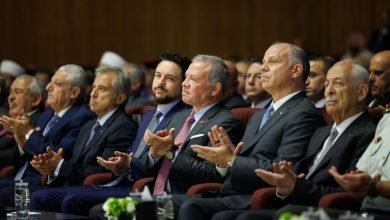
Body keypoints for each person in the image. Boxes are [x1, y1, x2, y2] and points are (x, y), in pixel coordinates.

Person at [29, 52, 190, 216]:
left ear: (183, 84)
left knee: (69, 200)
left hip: (141, 189)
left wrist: (128, 165)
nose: (160, 83)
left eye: (169, 78)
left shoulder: (182, 118)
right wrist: (122, 163)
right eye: (157, 76)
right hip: (117, 181)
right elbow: (130, 159)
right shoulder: (148, 115)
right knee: (41, 197)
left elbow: (160, 166)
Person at [178, 42, 324, 220]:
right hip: (234, 192)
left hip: (260, 197)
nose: (264, 68)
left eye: (273, 61)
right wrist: (225, 159)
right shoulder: (258, 116)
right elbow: (237, 161)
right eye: (263, 62)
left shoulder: (303, 113)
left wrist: (231, 160)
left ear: (296, 71)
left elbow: (282, 170)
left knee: (195, 208)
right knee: (163, 205)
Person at [231, 61, 376, 220]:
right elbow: (298, 176)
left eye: (338, 84)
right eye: (327, 84)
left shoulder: (368, 133)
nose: (329, 91)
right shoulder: (322, 132)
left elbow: (349, 193)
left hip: (325, 212)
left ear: (361, 92)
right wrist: (284, 186)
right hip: (295, 204)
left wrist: (295, 187)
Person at [142, 54, 243, 195]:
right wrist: (154, 154)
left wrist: (171, 152)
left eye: (193, 79)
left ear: (214, 89)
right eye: (185, 77)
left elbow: (211, 175)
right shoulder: (177, 117)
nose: (184, 83)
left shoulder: (225, 123)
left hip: (185, 200)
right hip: (151, 195)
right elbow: (149, 167)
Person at [0, 64, 96, 189]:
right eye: (50, 82)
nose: (48, 87)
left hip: (46, 183)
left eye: (57, 84)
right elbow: (32, 150)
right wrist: (22, 139)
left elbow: (57, 154)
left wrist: (29, 132)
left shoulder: (82, 117)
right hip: (23, 177)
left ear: (74, 92)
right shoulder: (49, 113)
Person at [0, 75, 45, 169]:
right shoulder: (6, 116)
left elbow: (14, 154)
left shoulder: (39, 122)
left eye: (18, 92)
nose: (10, 97)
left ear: (36, 99)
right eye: (10, 92)